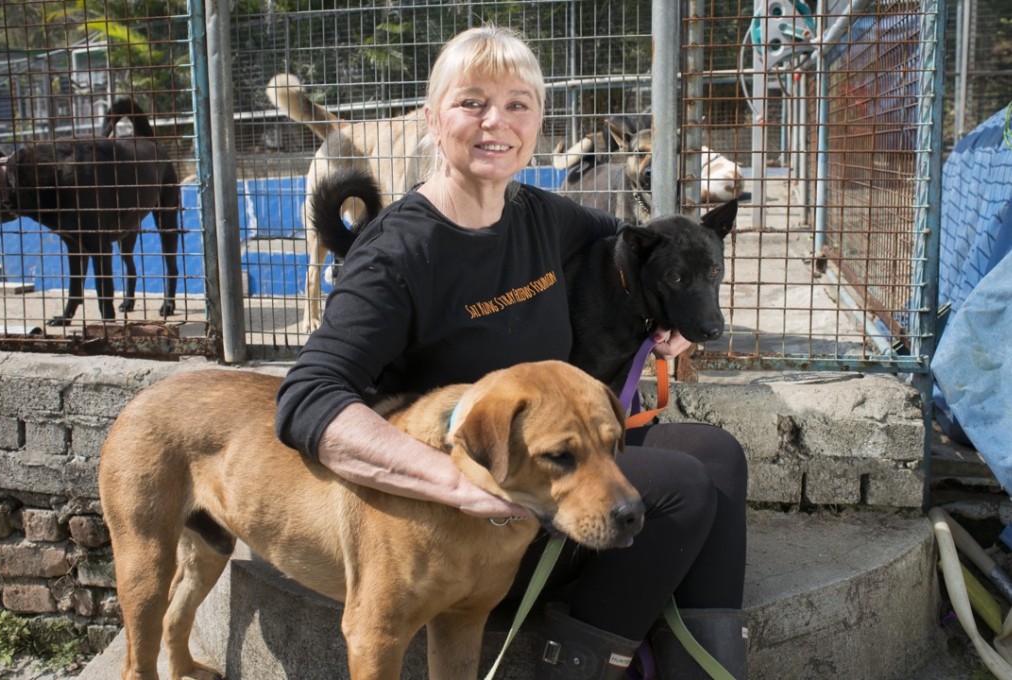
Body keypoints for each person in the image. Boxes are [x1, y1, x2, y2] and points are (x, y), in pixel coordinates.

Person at [275, 25, 748, 680]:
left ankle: (705, 671)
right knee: (681, 490)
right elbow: (305, 401)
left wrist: (674, 312)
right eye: (472, 102)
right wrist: (457, 483)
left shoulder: (534, 213)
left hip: (541, 480)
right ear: (433, 117)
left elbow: (633, 243)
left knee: (718, 456)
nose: (496, 121)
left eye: (518, 104)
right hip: (458, 528)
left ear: (538, 123)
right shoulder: (397, 255)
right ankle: (570, 666)